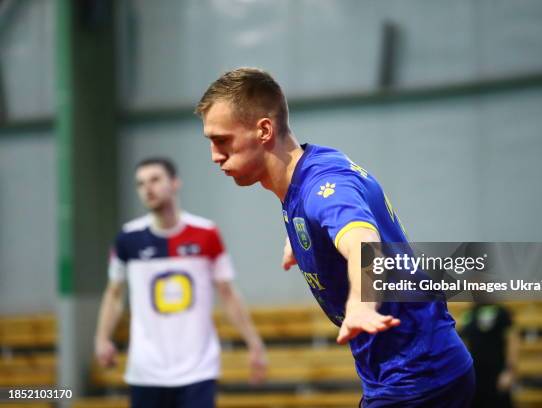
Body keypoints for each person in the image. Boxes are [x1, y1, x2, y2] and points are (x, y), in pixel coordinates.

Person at [195, 67, 474, 407]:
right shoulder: (312, 168)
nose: (215, 155)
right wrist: (301, 241)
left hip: (417, 376)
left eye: (222, 140)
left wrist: (360, 304)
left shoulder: (322, 188)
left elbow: (363, 242)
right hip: (415, 369)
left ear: (264, 130)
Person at [94, 157, 267, 408]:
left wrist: (254, 344)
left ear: (175, 183)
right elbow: (114, 294)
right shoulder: (128, 239)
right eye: (140, 184)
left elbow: (228, 293)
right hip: (146, 371)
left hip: (198, 370)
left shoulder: (206, 234)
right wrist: (102, 339)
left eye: (155, 180)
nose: (147, 188)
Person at [460, 302, 519, 408]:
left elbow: (512, 341)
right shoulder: (469, 313)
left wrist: (510, 371)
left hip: (498, 377)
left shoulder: (501, 312)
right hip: (475, 377)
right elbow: (464, 344)